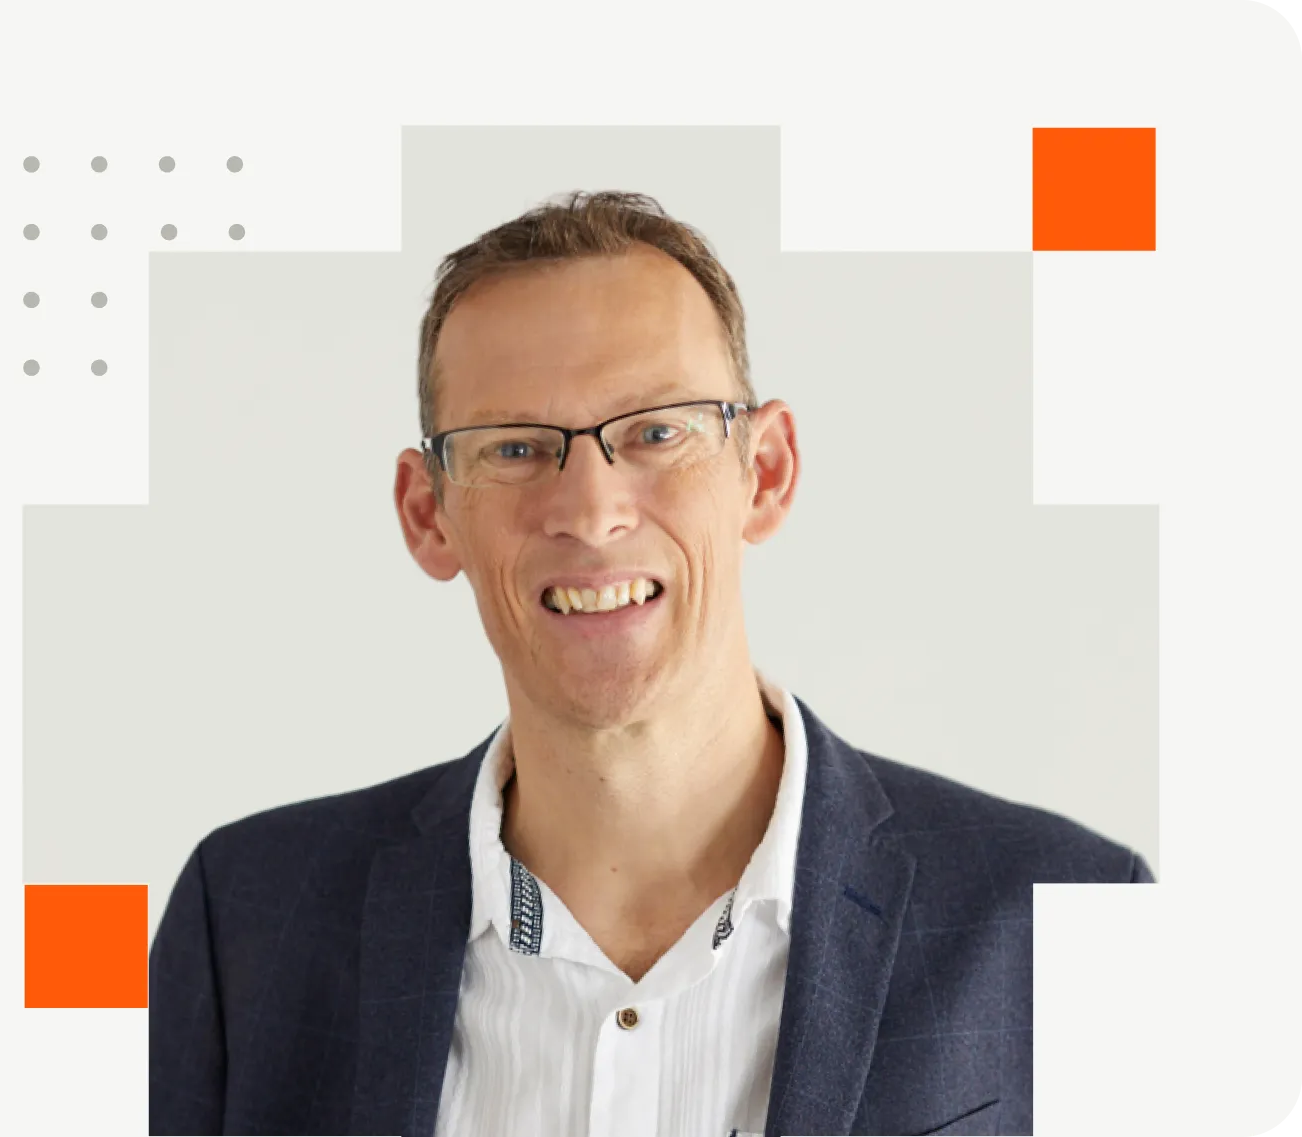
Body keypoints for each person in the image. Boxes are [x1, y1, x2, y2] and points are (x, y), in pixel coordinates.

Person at [149, 190, 1154, 1137]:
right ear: (427, 514)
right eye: (514, 448)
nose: (590, 511)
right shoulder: (245, 922)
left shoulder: (1064, 920)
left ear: (763, 472)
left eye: (656, 432)